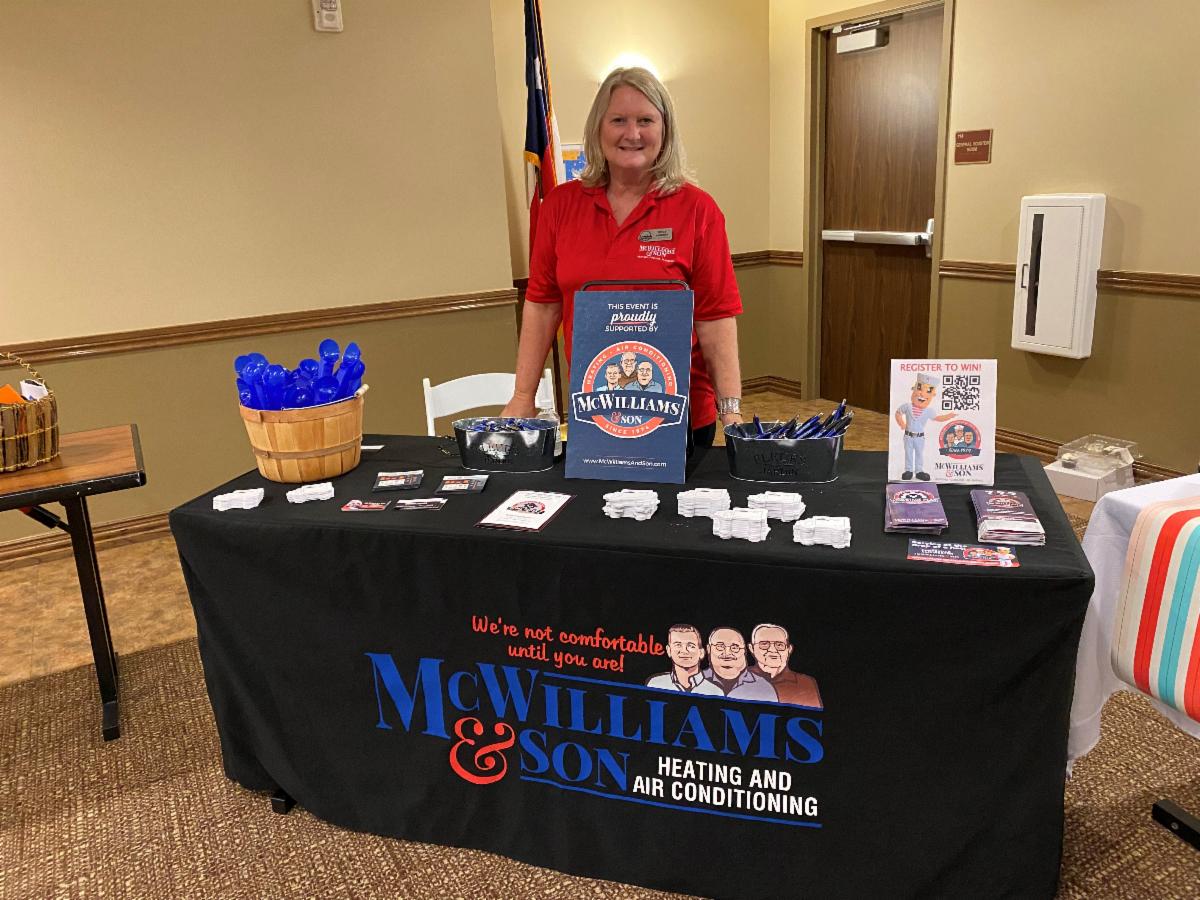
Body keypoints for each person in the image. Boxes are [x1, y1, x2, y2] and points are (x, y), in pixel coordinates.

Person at [501, 67, 745, 447]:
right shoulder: (560, 206)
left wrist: (730, 411)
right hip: (594, 410)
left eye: (645, 120)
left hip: (678, 418)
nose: (632, 134)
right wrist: (522, 396)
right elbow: (543, 305)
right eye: (618, 120)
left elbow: (714, 318)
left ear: (665, 130)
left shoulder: (698, 209)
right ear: (598, 128)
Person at [747, 623, 822, 709]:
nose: (772, 650)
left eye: (779, 645)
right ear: (752, 648)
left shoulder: (805, 683)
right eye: (764, 644)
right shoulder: (740, 678)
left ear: (789, 649)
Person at [701, 627, 777, 702]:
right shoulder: (697, 681)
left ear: (744, 651)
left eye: (735, 647)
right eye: (720, 646)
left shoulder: (763, 687)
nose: (727, 653)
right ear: (708, 649)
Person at [645, 624, 723, 695]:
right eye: (678, 645)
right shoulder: (655, 684)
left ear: (701, 653)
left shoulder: (715, 691)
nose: (684, 651)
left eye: (691, 646)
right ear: (669, 650)